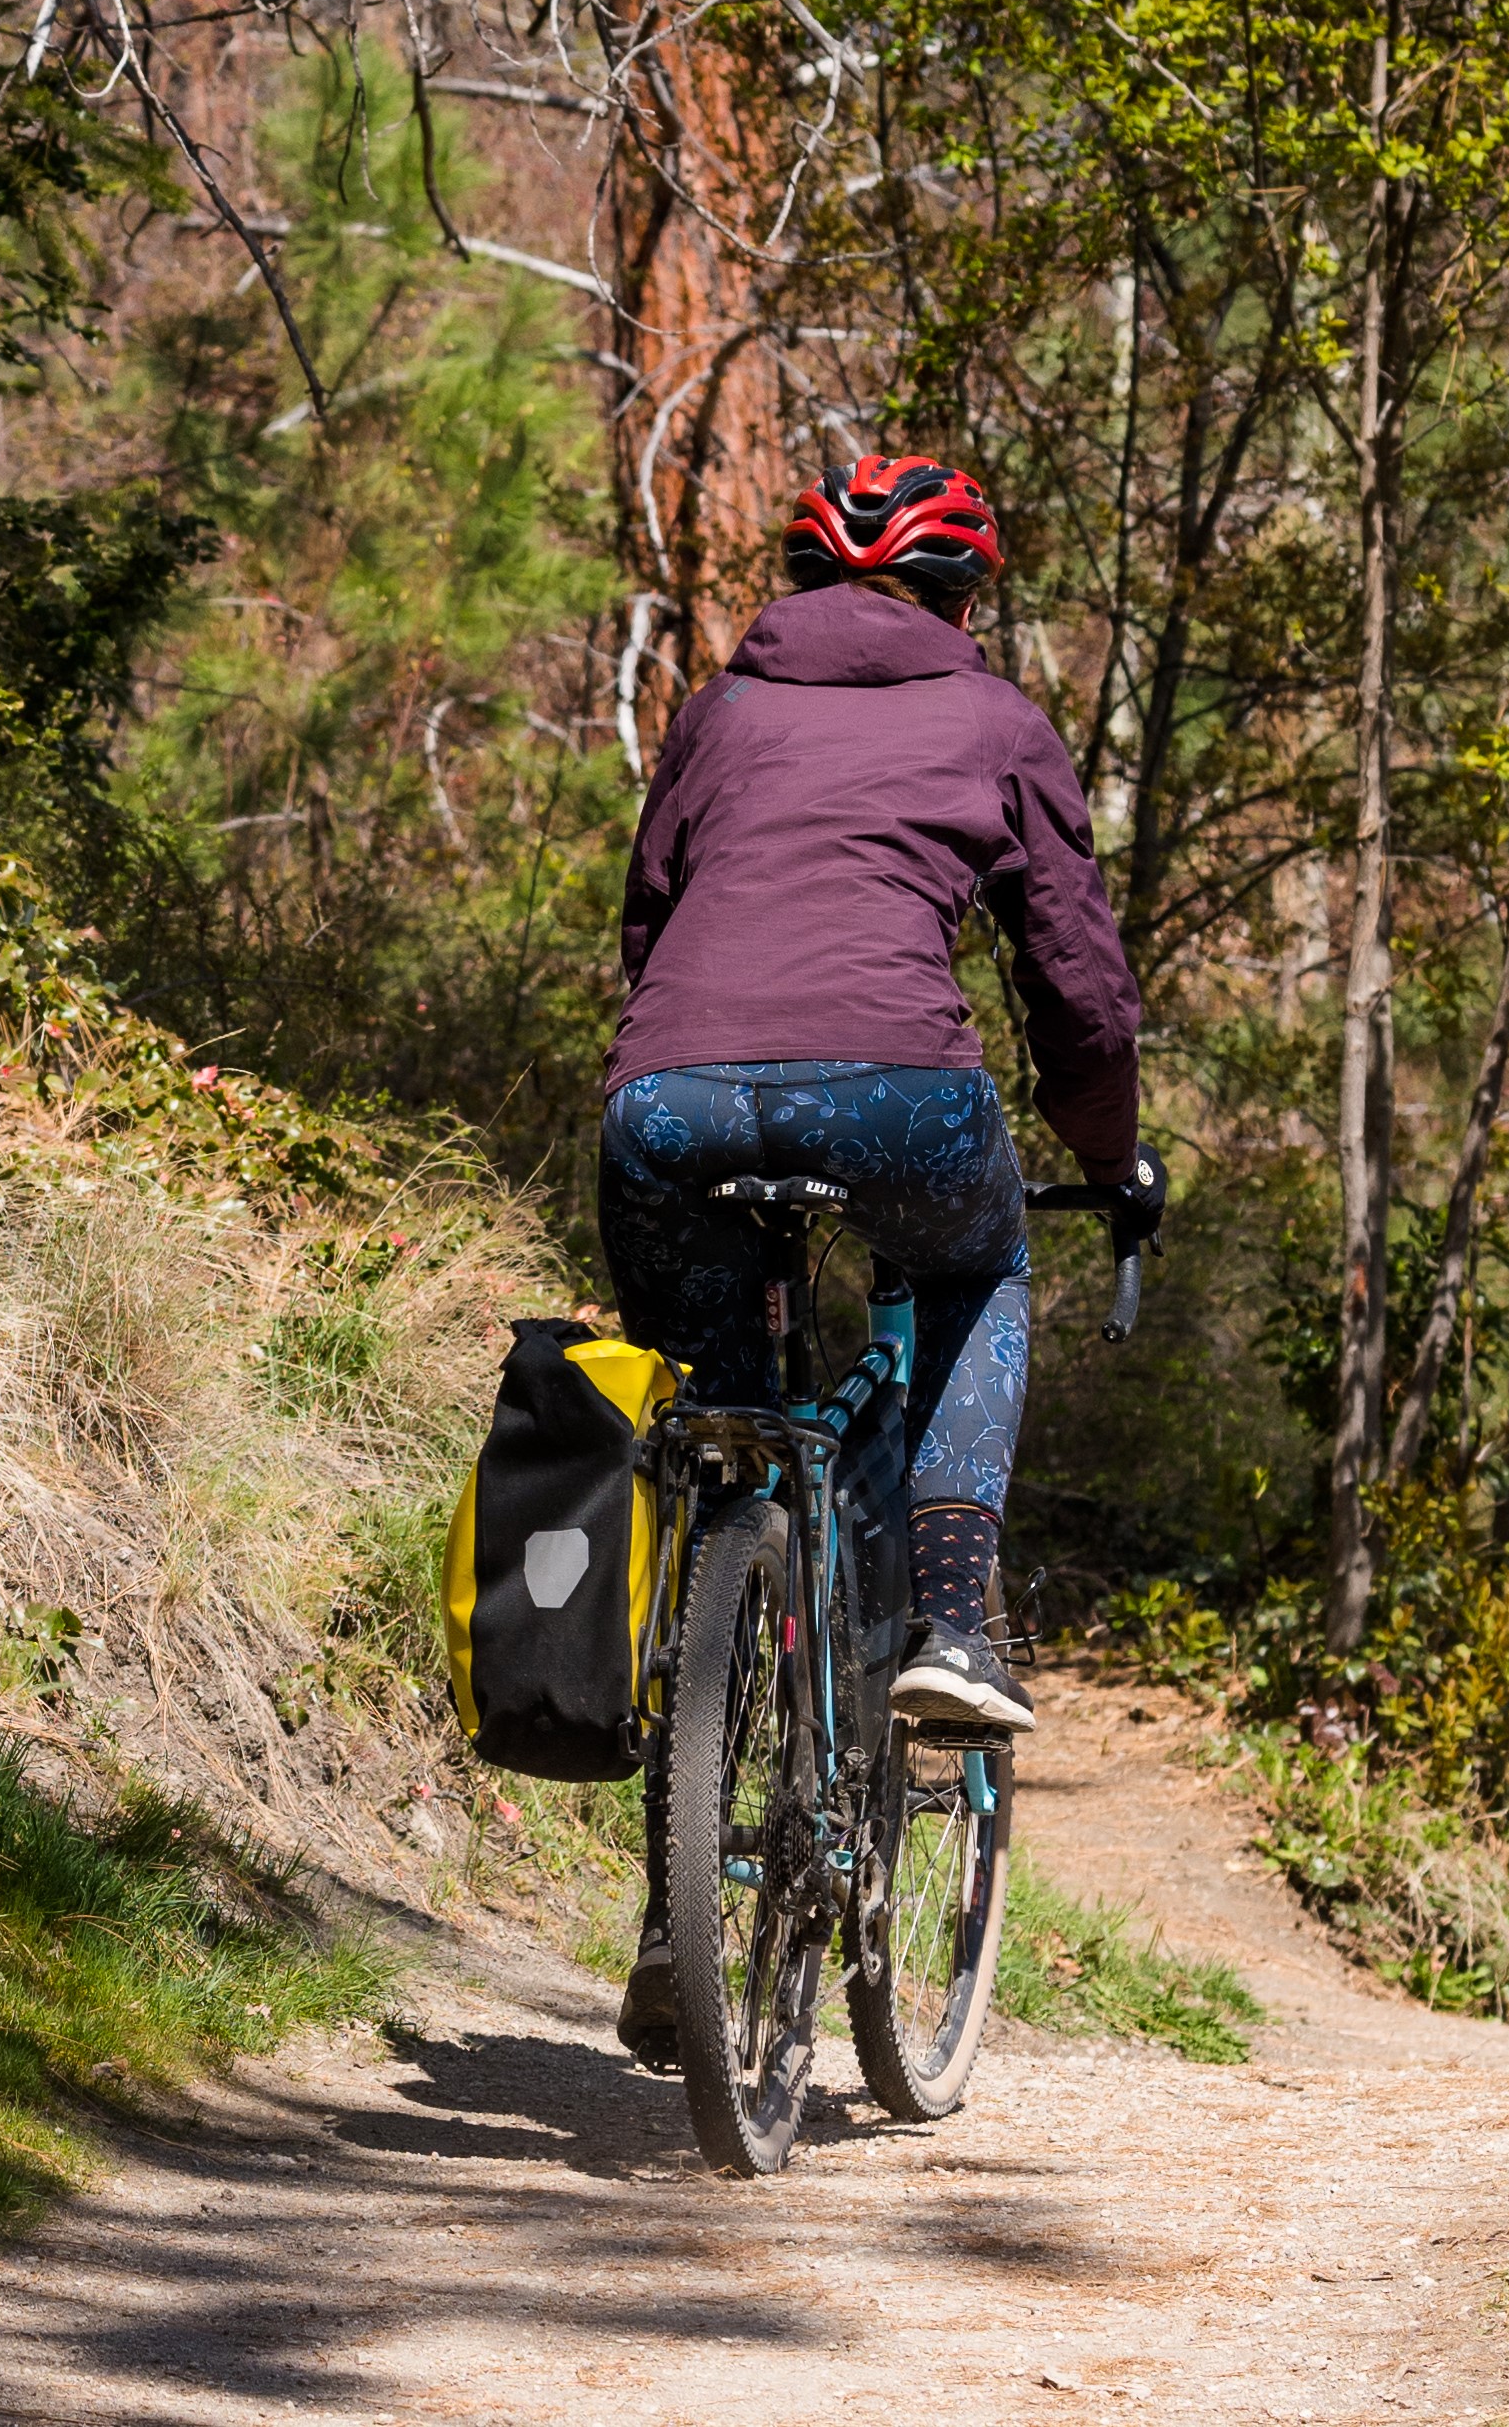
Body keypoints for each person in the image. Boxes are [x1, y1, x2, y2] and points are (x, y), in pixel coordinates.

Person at [602, 454, 1159, 2056]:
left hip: (665, 1103)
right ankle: (952, 1629)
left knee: (723, 1440)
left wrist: (688, 1080)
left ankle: (673, 1907)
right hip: (902, 1092)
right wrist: (1110, 1155)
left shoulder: (719, 708)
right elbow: (1078, 984)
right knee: (980, 1276)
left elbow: (651, 923)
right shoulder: (995, 719)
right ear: (965, 594)